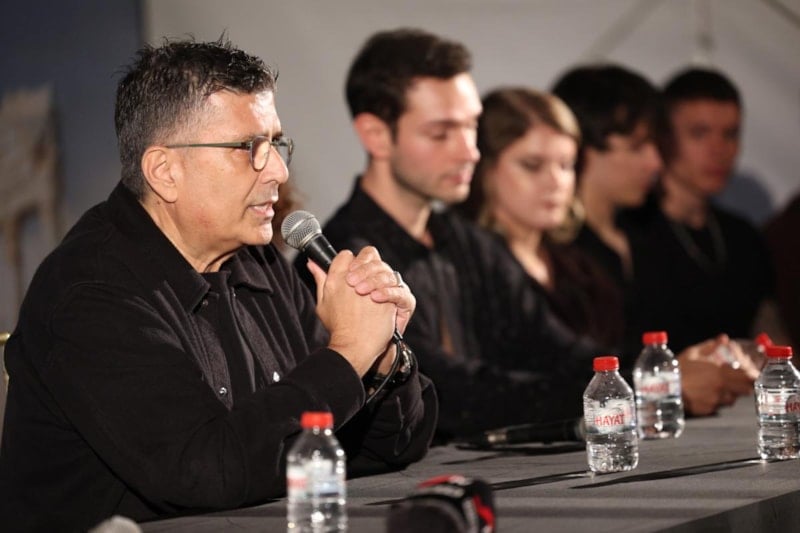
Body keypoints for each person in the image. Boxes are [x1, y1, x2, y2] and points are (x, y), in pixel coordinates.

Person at [0, 38, 437, 531]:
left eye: (277, 144)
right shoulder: (90, 293)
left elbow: (385, 447)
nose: (279, 171)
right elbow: (205, 473)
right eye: (249, 148)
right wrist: (348, 353)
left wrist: (379, 355)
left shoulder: (258, 261)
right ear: (165, 171)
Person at [295, 28, 656, 443]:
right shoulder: (343, 260)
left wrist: (652, 371)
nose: (470, 151)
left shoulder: (466, 240)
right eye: (441, 133)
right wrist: (632, 389)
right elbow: (448, 394)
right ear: (376, 135)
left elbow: (554, 346)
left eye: (471, 127)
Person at [552, 65, 756, 415]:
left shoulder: (644, 234)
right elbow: (558, 375)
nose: (656, 162)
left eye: (656, 145)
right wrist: (670, 377)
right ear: (585, 149)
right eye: (637, 147)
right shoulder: (557, 249)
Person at [457, 87, 625, 349]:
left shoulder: (582, 269)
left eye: (566, 165)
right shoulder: (461, 265)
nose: (556, 182)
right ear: (485, 169)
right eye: (532, 165)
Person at [633, 68, 774, 351]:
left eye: (730, 134)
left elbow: (773, 335)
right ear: (663, 138)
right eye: (699, 133)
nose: (719, 149)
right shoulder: (630, 234)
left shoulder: (743, 236)